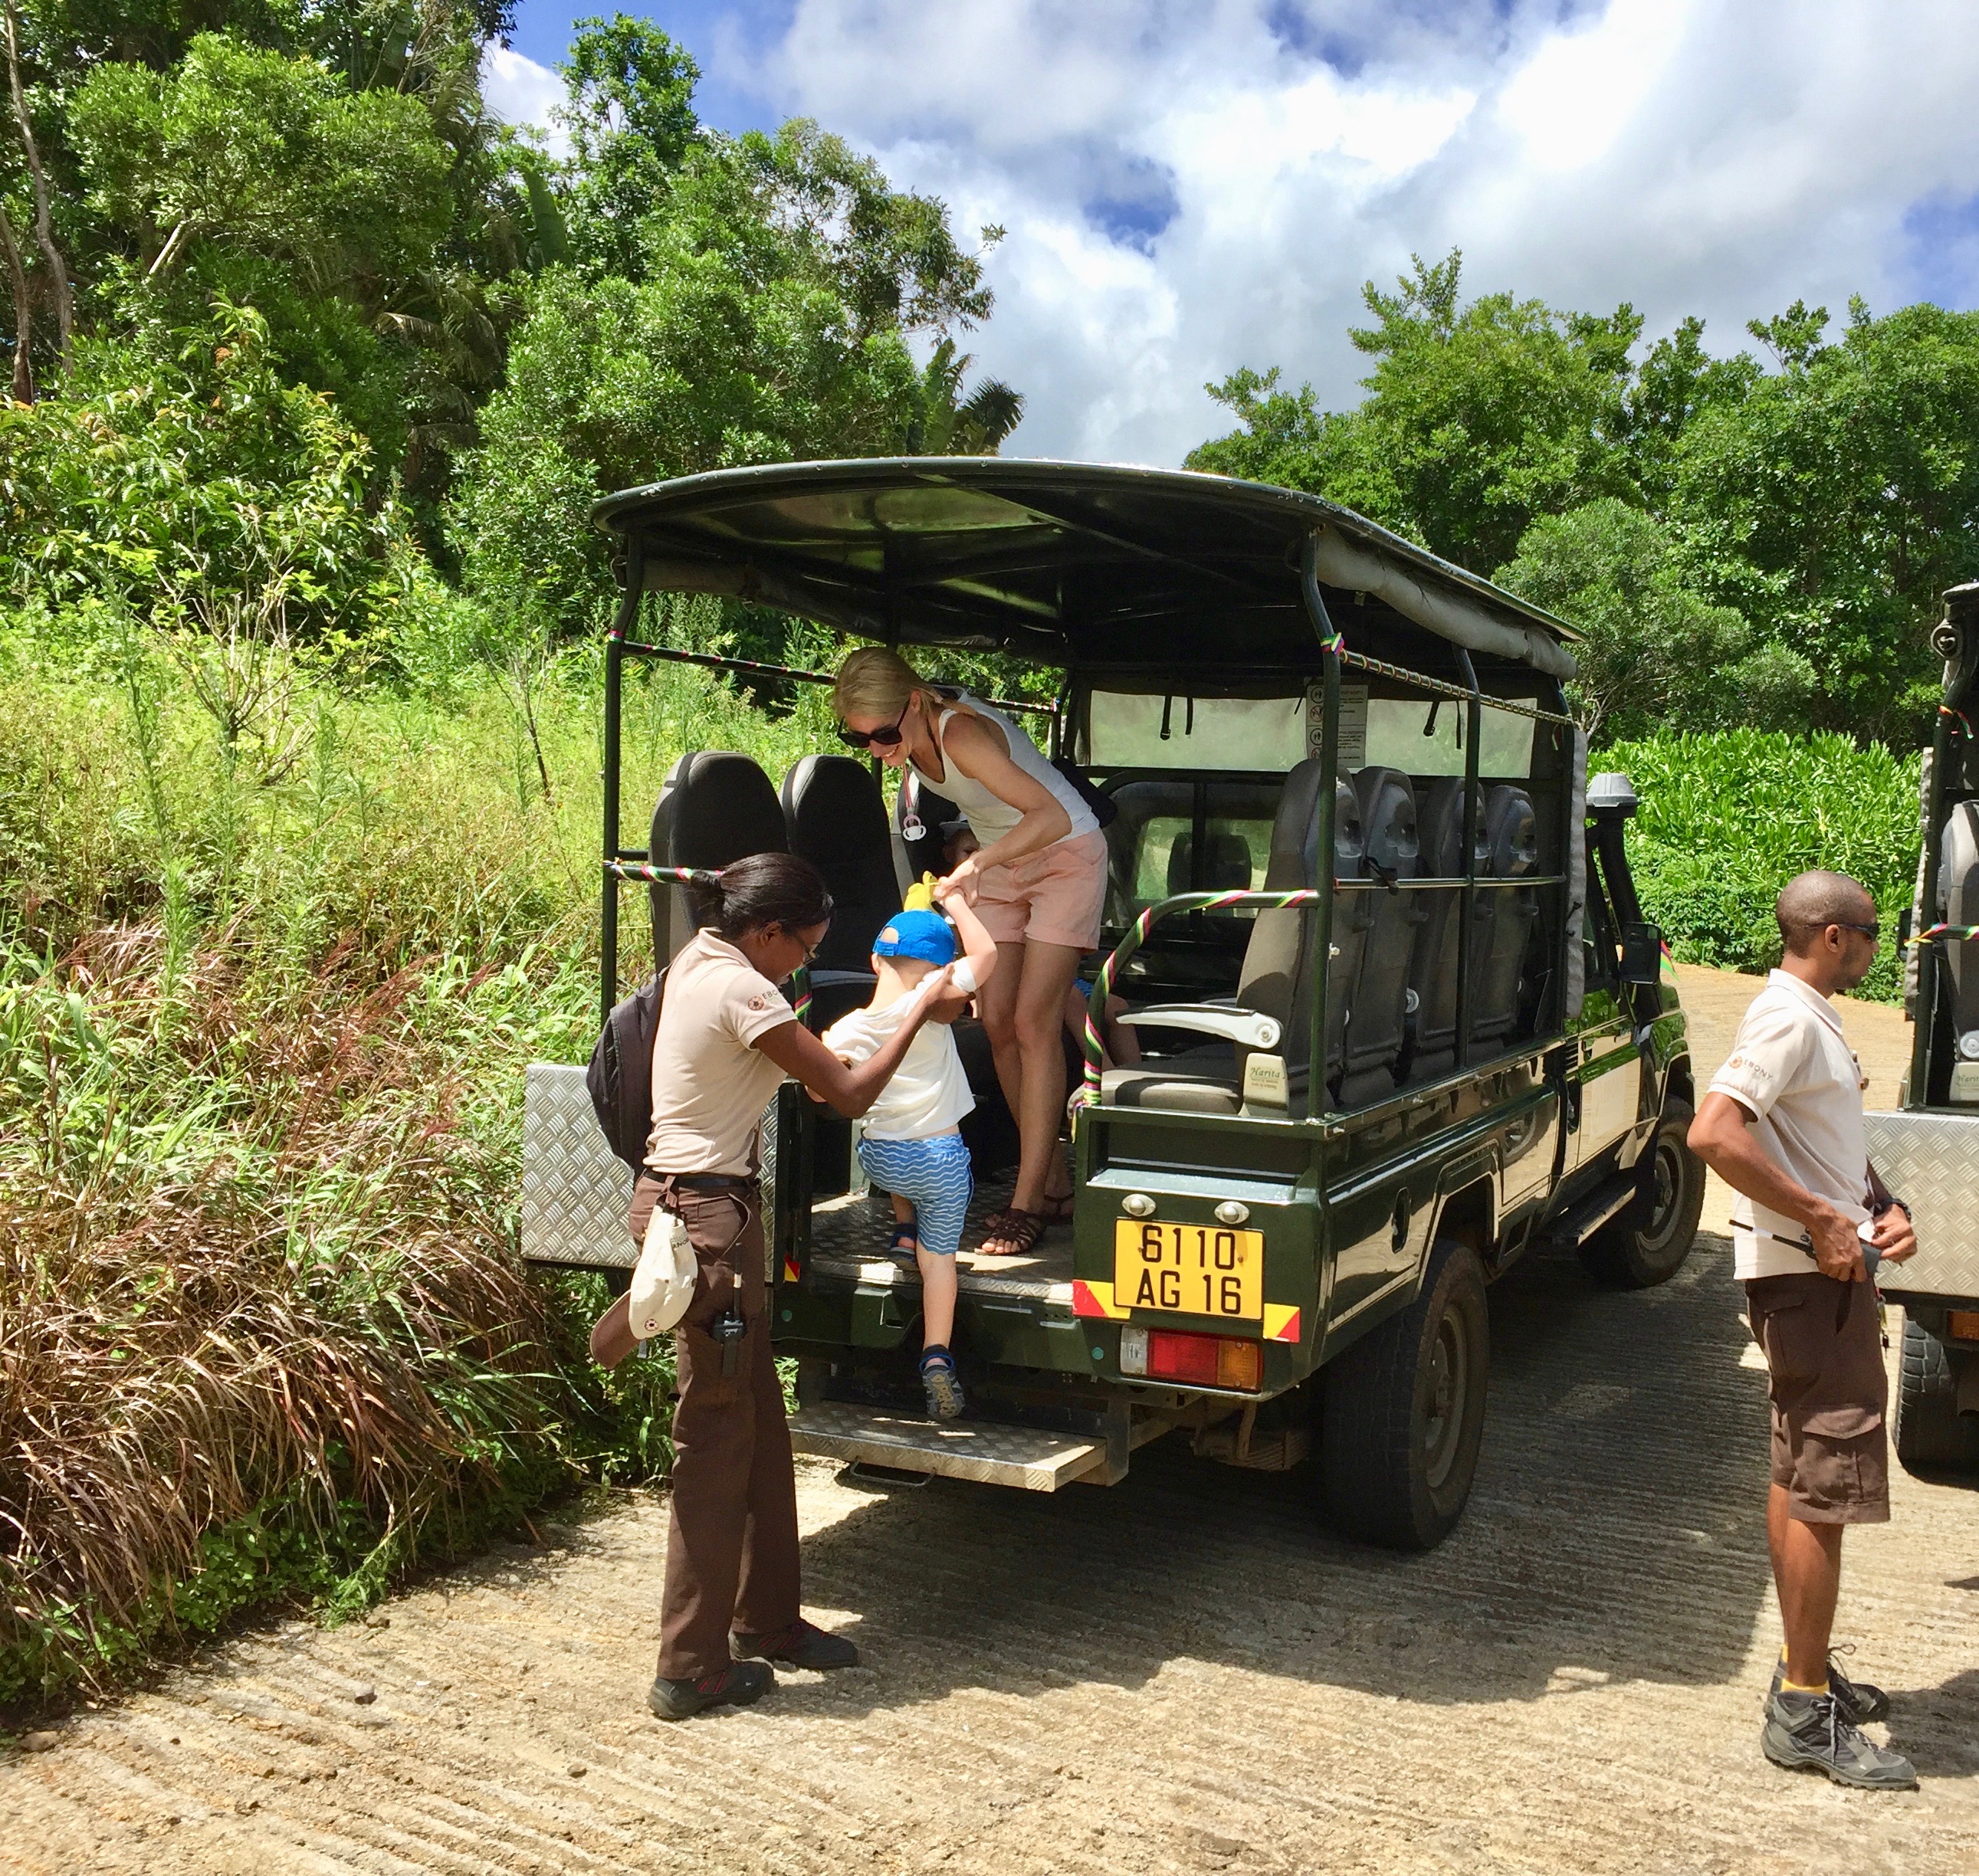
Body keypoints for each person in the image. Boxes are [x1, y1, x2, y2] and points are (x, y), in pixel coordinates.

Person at [612, 853, 953, 1722]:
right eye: (800, 945)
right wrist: (915, 1007)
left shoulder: (700, 959)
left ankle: (766, 1621)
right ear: (766, 930)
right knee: (715, 1442)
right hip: (710, 1225)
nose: (801, 962)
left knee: (756, 1419)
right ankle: (688, 1667)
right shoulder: (742, 991)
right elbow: (843, 1092)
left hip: (711, 1213)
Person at [1688, 869, 1919, 1791]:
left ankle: (1804, 1673)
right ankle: (1801, 1707)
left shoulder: (1811, 1015)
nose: (1877, 944)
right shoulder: (1785, 1018)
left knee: (1796, 1473)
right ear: (1831, 936)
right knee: (1827, 1479)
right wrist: (1822, 1221)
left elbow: (1819, 1143)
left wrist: (1877, 1204)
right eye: (1870, 930)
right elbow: (1714, 1133)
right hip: (1808, 1284)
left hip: (1815, 1279)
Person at [834, 646, 1108, 1258]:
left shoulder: (962, 736)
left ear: (912, 703)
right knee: (998, 1022)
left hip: (1063, 854)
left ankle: (1027, 1201)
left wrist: (977, 863)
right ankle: (1054, 1182)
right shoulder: (910, 743)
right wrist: (978, 860)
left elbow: (1052, 817)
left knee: (1035, 1021)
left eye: (882, 734)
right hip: (1004, 858)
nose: (877, 750)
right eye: (860, 741)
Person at [822, 886, 999, 1420]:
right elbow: (988, 956)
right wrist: (959, 904)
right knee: (939, 1260)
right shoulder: (936, 1000)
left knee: (888, 1154)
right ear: (941, 975)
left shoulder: (851, 1028)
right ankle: (937, 1356)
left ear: (875, 958)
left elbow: (817, 1089)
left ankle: (902, 1229)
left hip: (883, 1161)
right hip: (941, 1162)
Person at [943, 821, 1137, 1071]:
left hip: (1040, 969)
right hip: (997, 978)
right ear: (949, 854)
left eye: (985, 853)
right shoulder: (949, 901)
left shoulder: (1017, 892)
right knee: (1070, 999)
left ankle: (1130, 1078)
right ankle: (1103, 1071)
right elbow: (965, 955)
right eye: (969, 853)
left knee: (1117, 1006)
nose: (978, 862)